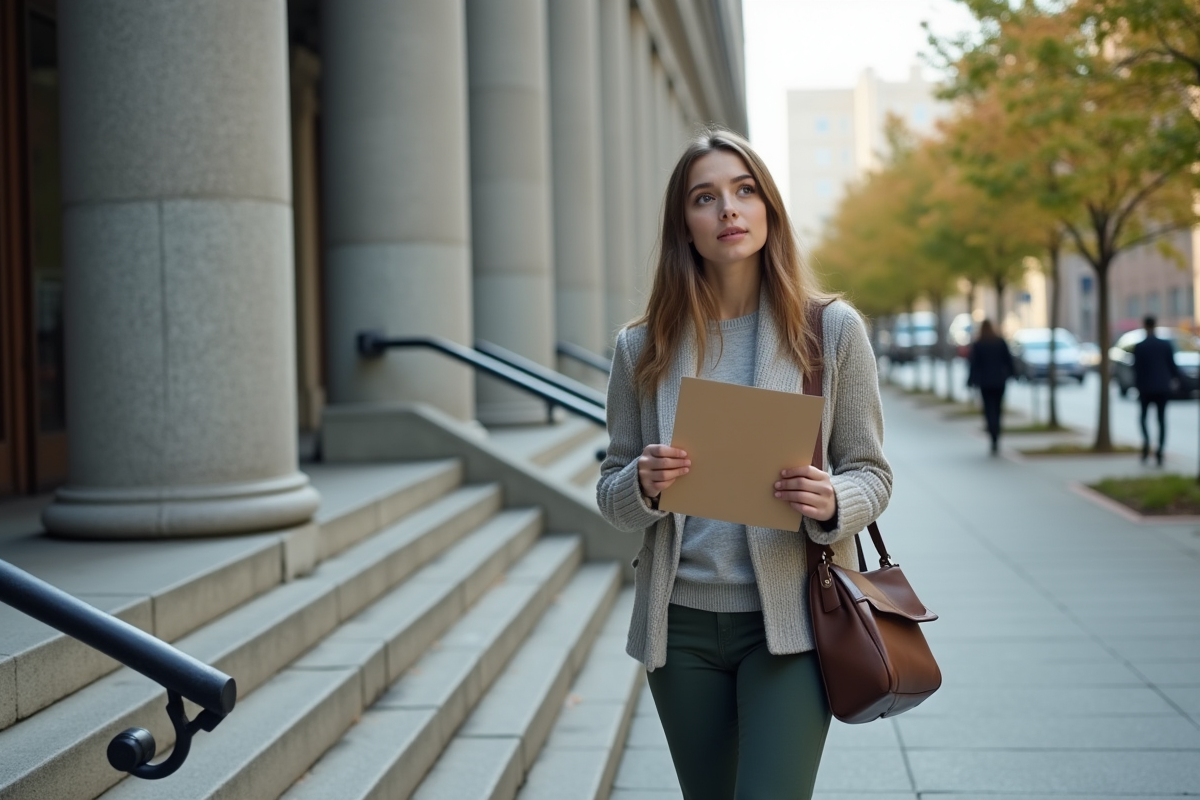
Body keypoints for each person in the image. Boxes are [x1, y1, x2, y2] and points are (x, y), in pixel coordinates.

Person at [595, 127, 892, 800]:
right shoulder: (641, 347)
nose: (728, 209)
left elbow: (872, 472)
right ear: (685, 227)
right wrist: (640, 484)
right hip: (682, 631)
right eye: (706, 197)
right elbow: (610, 492)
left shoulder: (830, 330)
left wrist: (833, 500)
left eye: (744, 190)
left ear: (768, 210)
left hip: (791, 624)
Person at [1133, 315, 1179, 466]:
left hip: (1145, 388)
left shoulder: (1140, 346)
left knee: (1143, 418)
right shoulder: (1165, 345)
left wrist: (1137, 387)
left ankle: (1146, 444)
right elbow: (1172, 367)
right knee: (1161, 420)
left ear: (1145, 326)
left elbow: (1136, 370)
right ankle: (1159, 450)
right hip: (1162, 388)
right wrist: (1176, 381)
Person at [966, 320, 1014, 455]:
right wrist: (1012, 374)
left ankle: (992, 432)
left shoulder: (978, 344)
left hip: (985, 382)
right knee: (998, 409)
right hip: (999, 381)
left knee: (988, 409)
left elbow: (973, 364)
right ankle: (996, 432)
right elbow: (1008, 360)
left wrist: (971, 381)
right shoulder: (1000, 342)